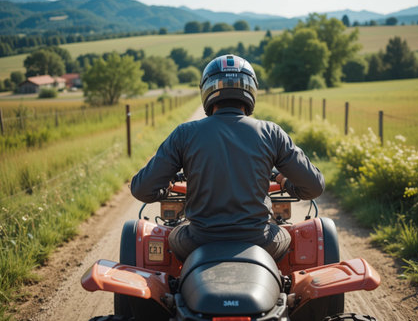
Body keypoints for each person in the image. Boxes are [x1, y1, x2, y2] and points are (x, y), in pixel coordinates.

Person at [131, 54, 325, 261]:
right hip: (260, 241)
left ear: (207, 90)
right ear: (250, 89)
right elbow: (314, 187)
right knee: (285, 233)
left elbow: (141, 189)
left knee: (174, 232)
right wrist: (286, 184)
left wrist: (165, 189)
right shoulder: (271, 132)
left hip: (198, 241)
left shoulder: (184, 133)